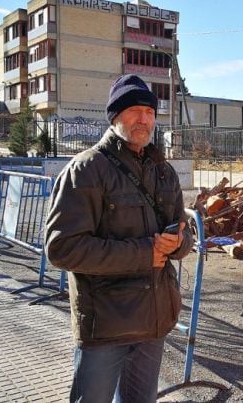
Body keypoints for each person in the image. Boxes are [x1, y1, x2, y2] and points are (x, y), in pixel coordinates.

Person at [45, 74, 193, 403]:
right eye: (134, 110)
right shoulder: (86, 170)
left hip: (153, 321)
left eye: (150, 112)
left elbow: (185, 233)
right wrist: (144, 254)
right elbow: (61, 248)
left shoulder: (163, 172)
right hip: (106, 325)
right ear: (115, 117)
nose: (144, 119)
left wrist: (178, 244)